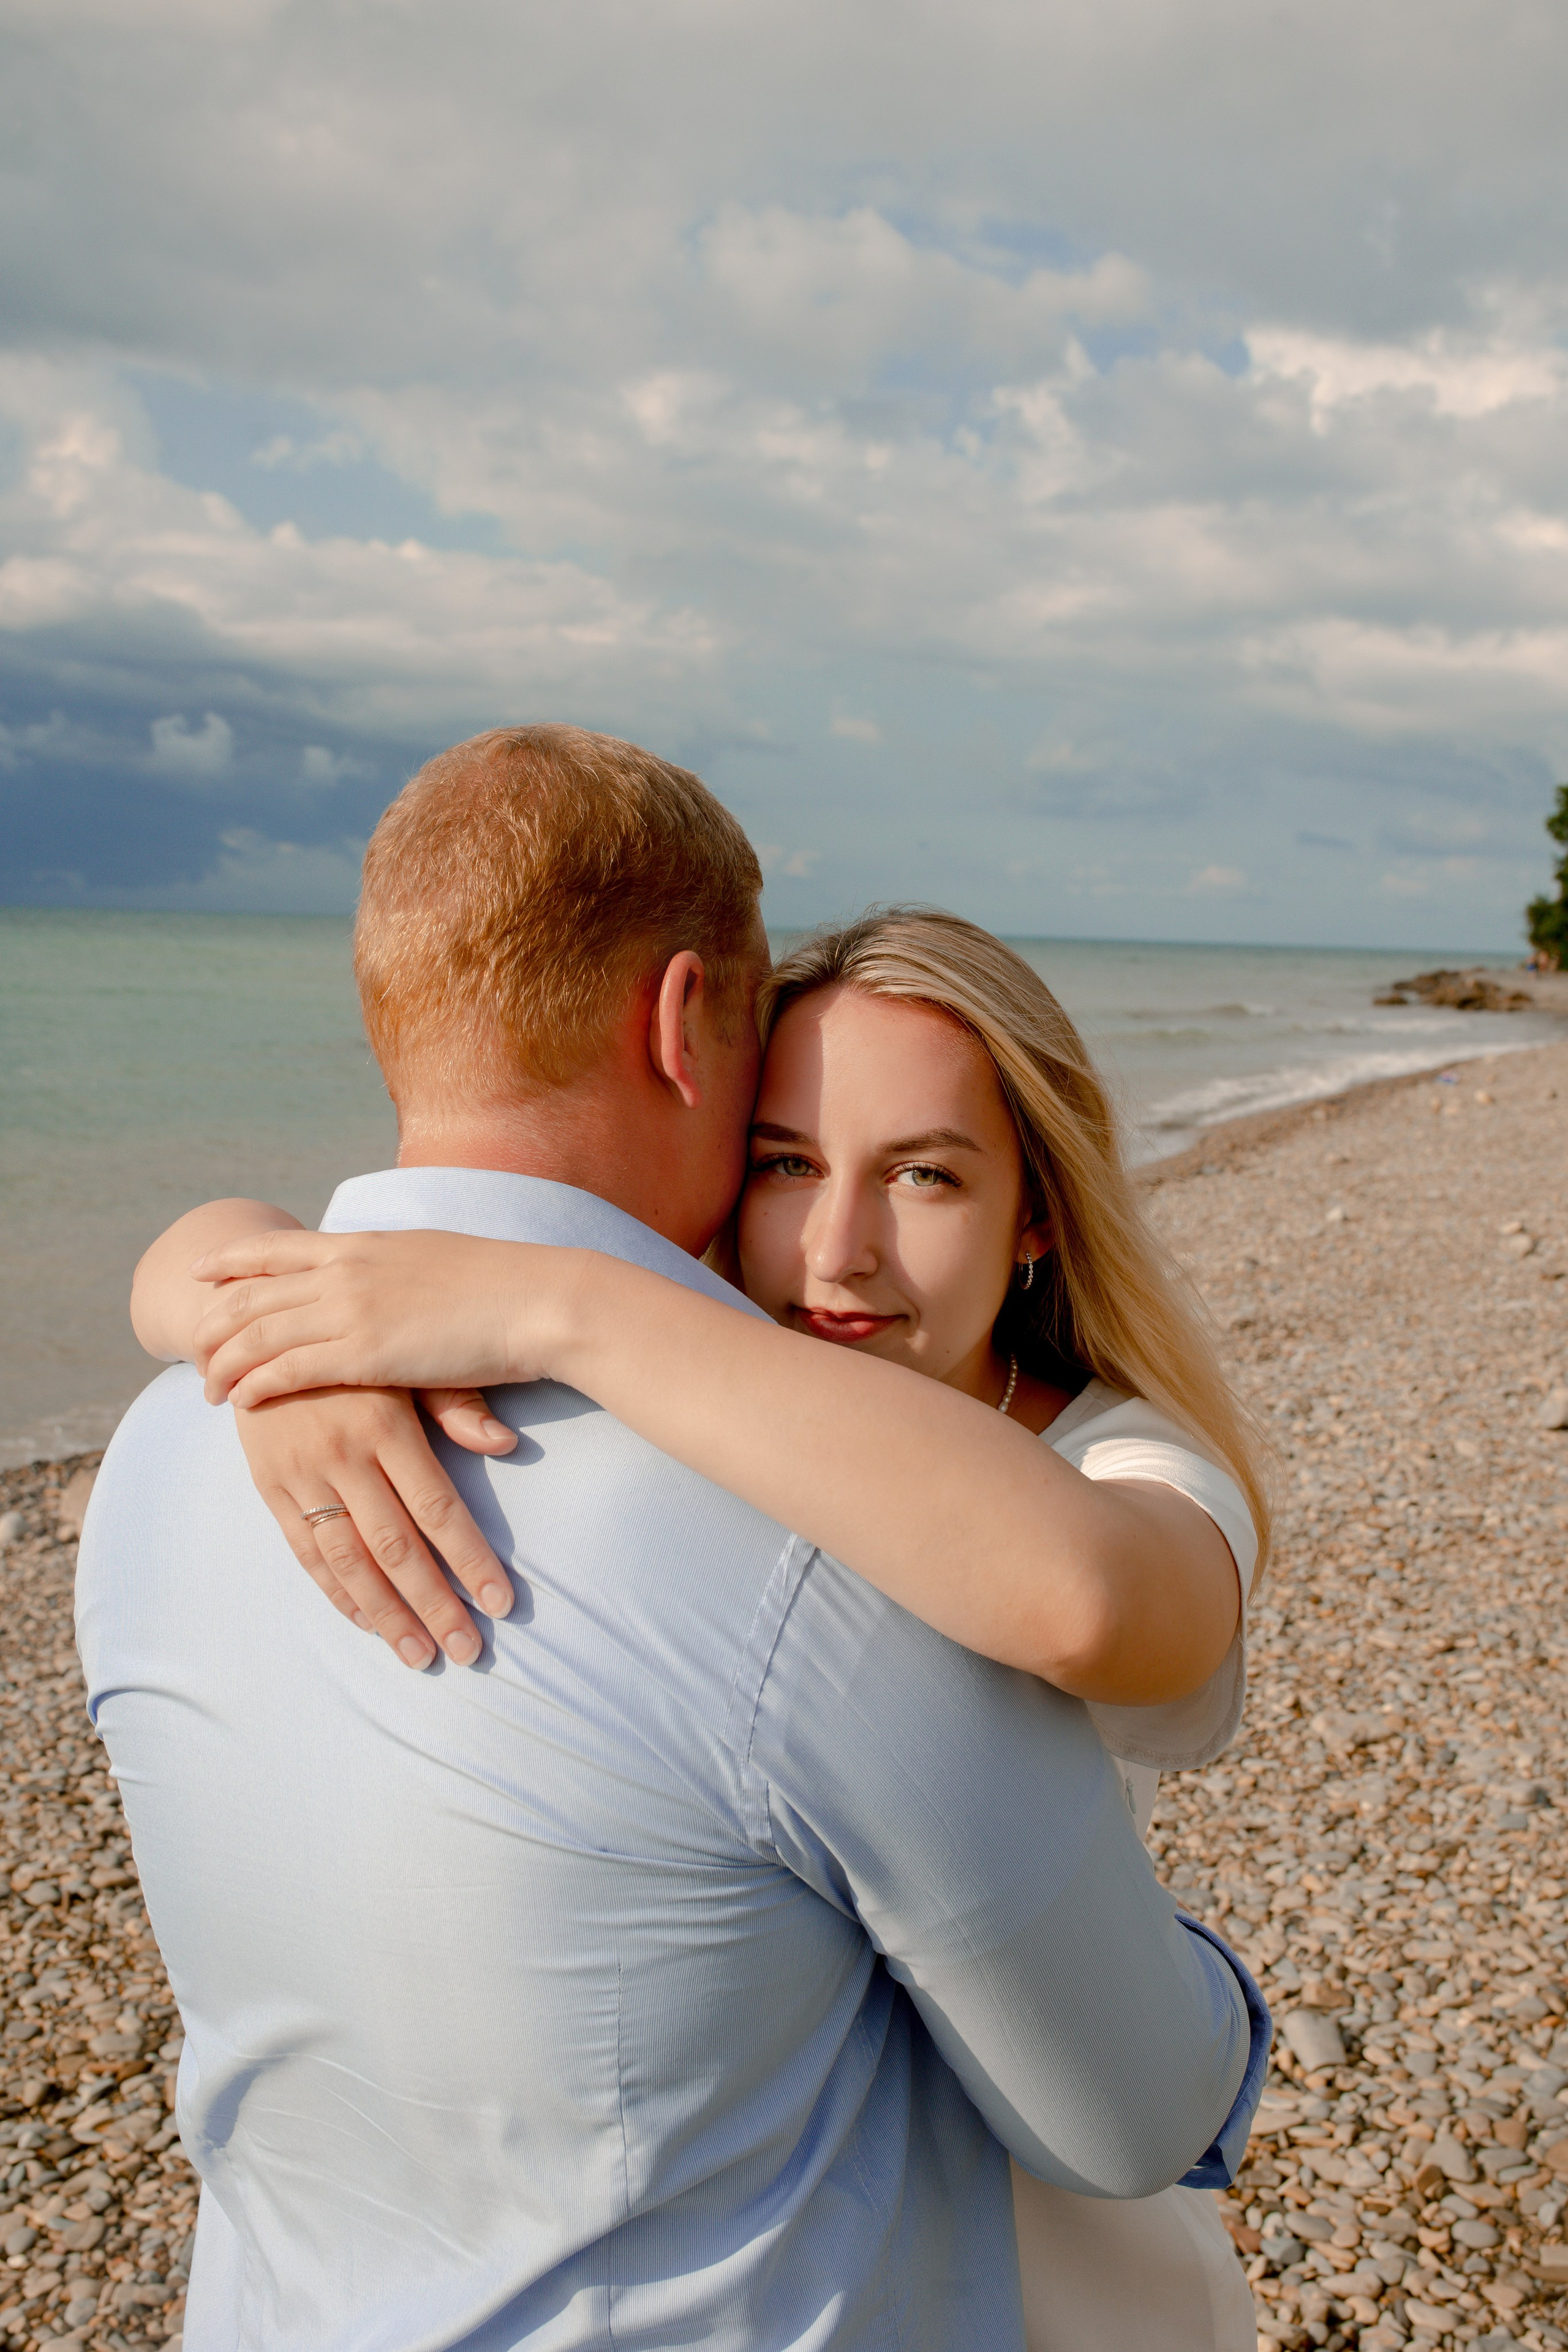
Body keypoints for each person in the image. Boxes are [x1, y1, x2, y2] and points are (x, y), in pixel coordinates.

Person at [122, 735, 1269, 2351]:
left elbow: (1093, 1600)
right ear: (698, 1074)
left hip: (1056, 2263)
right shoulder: (715, 1389)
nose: (840, 1245)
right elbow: (196, 1261)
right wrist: (265, 1347)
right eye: (786, 1162)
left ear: (1036, 1216)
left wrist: (562, 1296)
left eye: (927, 1176)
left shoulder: (1115, 1458)